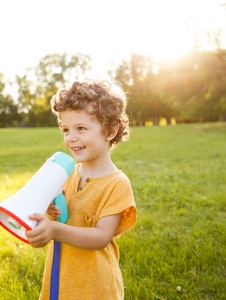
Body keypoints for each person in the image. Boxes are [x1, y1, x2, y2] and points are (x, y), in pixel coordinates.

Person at [26, 78, 137, 299]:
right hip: (62, 278)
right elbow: (64, 217)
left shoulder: (116, 183)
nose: (71, 137)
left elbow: (100, 237)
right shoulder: (67, 174)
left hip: (94, 286)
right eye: (66, 129)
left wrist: (55, 231)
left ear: (110, 130)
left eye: (81, 128)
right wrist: (51, 213)